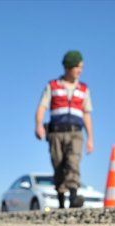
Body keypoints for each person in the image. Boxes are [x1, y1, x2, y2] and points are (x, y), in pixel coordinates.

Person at [35, 50, 94, 209]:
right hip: (56, 132)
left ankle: (73, 197)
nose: (80, 70)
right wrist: (39, 125)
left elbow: (87, 114)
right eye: (77, 67)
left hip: (75, 131)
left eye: (81, 67)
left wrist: (90, 139)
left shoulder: (83, 89)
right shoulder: (52, 86)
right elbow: (42, 107)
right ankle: (61, 201)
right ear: (68, 67)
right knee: (58, 164)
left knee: (73, 161)